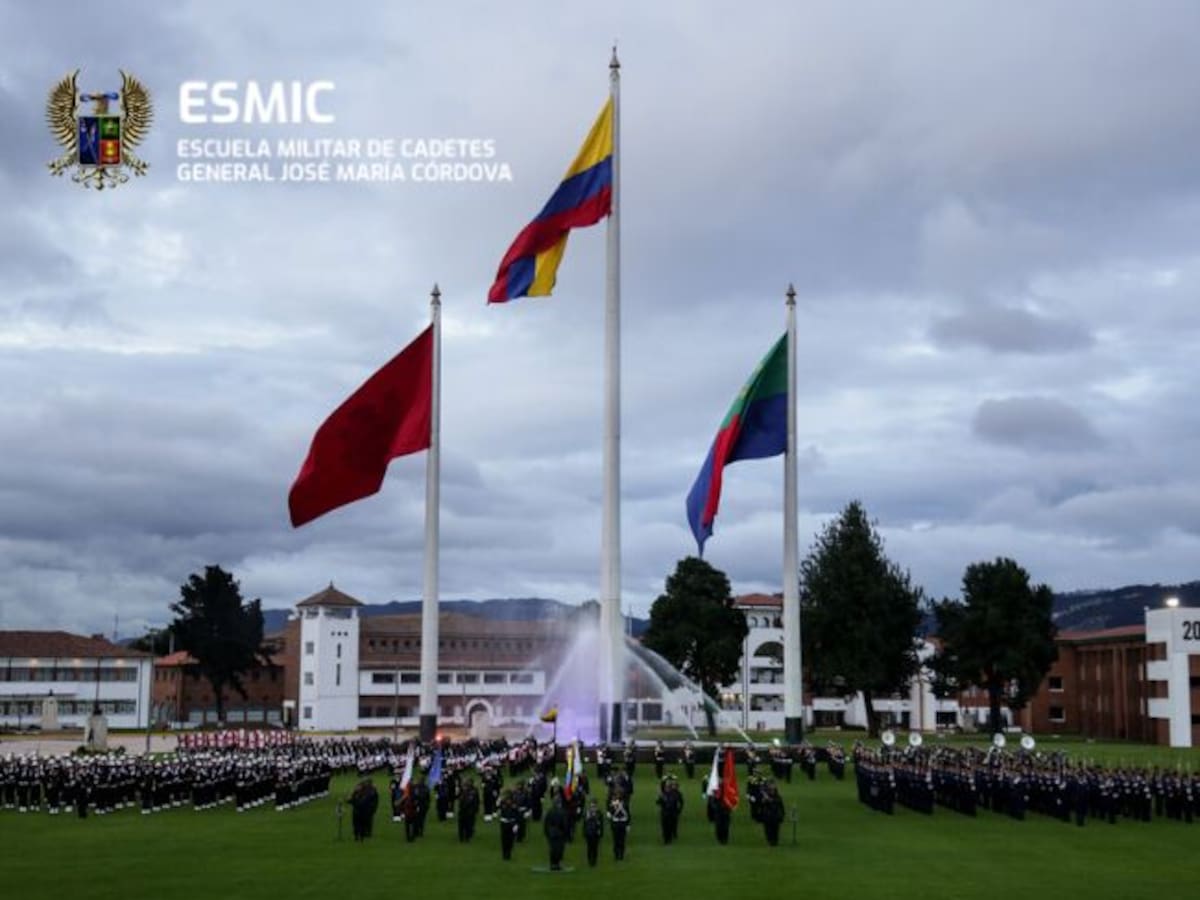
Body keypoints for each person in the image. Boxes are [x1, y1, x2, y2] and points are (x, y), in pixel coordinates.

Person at [544, 796, 569, 870]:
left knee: (553, 848)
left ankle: (552, 864)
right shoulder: (562, 812)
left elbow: (546, 824)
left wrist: (547, 833)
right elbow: (565, 824)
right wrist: (566, 833)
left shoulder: (549, 811)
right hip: (560, 833)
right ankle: (557, 864)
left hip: (551, 833)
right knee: (559, 849)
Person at [760, 780, 785, 846]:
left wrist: (782, 815)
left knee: (775, 831)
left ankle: (775, 842)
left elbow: (780, 805)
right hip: (767, 816)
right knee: (768, 831)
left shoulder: (777, 796)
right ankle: (770, 841)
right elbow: (762, 806)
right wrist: (764, 801)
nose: (771, 786)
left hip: (775, 816)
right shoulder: (765, 795)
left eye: (772, 785)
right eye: (770, 785)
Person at [608, 790, 630, 861]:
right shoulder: (613, 804)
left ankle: (621, 855)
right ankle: (616, 855)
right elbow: (610, 814)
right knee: (616, 840)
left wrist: (628, 824)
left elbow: (628, 814)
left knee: (622, 840)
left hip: (623, 823)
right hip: (616, 822)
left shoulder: (625, 804)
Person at [498, 790, 520, 861]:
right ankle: (504, 854)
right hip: (504, 823)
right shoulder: (502, 803)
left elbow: (517, 814)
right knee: (504, 840)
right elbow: (497, 807)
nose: (508, 801)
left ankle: (508, 854)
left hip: (512, 823)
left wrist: (516, 824)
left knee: (510, 840)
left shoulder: (515, 804)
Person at [583, 798, 605, 867]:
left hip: (596, 833)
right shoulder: (587, 813)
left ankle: (594, 861)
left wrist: (601, 832)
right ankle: (590, 860)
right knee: (589, 847)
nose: (593, 807)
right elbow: (585, 824)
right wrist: (584, 832)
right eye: (592, 806)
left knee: (595, 848)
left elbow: (601, 824)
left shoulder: (599, 813)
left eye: (594, 806)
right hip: (589, 832)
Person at [458, 777, 479, 843]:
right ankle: (461, 837)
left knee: (469, 824)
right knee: (461, 825)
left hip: (469, 811)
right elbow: (459, 799)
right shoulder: (462, 791)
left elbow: (474, 801)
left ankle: (467, 837)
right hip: (462, 811)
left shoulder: (473, 791)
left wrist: (475, 809)